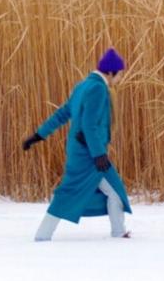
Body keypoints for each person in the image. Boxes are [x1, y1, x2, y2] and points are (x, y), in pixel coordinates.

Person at [23, 47, 132, 241]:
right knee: (109, 190)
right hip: (90, 155)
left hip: (80, 151)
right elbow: (89, 124)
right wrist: (99, 154)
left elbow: (63, 113)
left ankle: (119, 231)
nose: (120, 78)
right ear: (110, 72)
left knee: (100, 190)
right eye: (120, 74)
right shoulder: (98, 88)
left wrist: (39, 135)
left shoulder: (82, 85)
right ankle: (43, 236)